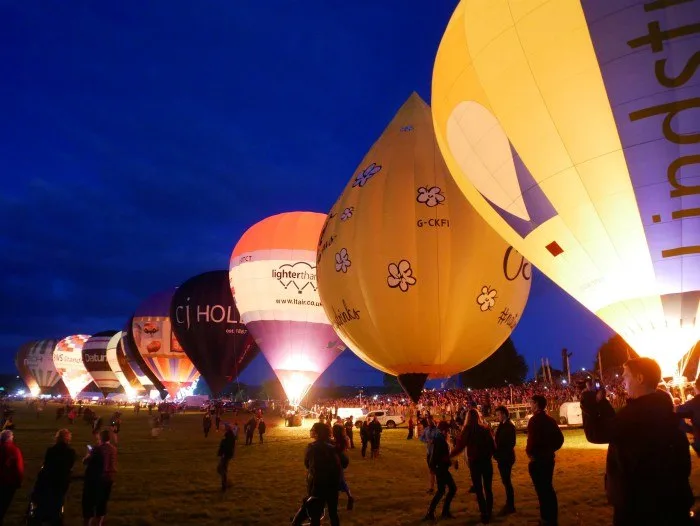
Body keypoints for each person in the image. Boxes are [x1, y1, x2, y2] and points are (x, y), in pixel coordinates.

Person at [582, 357, 693, 525]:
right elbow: (618, 426)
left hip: (638, 504)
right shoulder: (662, 407)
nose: (623, 380)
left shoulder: (636, 413)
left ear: (640, 378)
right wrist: (603, 403)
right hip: (670, 498)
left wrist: (588, 402)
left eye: (626, 376)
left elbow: (597, 434)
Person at [292, 422, 342, 526]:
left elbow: (308, 465)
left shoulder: (313, 447)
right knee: (333, 514)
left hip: (318, 487)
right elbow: (345, 462)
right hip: (333, 486)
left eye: (313, 430)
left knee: (315, 515)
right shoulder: (333, 445)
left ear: (318, 433)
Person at [451, 409, 495, 524]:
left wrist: (450, 455)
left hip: (475, 463)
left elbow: (460, 446)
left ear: (468, 418)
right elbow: (493, 445)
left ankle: (484, 513)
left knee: (479, 489)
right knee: (488, 488)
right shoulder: (485, 429)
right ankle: (489, 512)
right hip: (486, 462)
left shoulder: (467, 430)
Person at [526, 395, 564, 526]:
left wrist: (530, 453)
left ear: (536, 404)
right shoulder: (550, 420)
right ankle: (551, 518)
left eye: (531, 402)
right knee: (548, 489)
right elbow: (560, 439)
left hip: (538, 460)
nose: (530, 405)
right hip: (548, 458)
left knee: (542, 491)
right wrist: (551, 450)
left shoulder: (534, 420)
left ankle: (546, 519)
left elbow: (531, 441)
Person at [30, 428, 76, 524]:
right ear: (68, 439)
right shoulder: (71, 452)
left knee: (46, 500)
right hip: (62, 481)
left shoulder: (51, 450)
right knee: (58, 501)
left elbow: (46, 464)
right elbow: (70, 466)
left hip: (49, 479)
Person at [82, 429, 117, 526]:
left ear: (100, 438)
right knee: (102, 503)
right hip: (108, 478)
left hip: (95, 479)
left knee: (89, 503)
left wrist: (88, 453)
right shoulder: (113, 448)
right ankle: (99, 524)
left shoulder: (97, 449)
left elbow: (85, 462)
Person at [423, 421, 456, 521]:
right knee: (451, 489)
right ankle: (438, 512)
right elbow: (440, 456)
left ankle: (434, 512)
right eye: (447, 430)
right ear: (444, 430)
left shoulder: (440, 438)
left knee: (442, 491)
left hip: (440, 468)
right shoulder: (440, 440)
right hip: (441, 469)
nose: (449, 431)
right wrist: (452, 462)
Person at [493, 406, 516, 515]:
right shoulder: (503, 425)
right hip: (503, 456)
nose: (497, 417)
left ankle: (510, 505)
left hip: (505, 457)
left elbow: (509, 443)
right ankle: (509, 504)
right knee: (506, 481)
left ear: (504, 414)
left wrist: (498, 450)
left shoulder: (509, 426)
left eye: (498, 415)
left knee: (507, 482)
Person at [0, 430, 24, 523]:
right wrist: (19, 481)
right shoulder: (13, 450)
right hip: (8, 482)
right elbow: (18, 468)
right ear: (10, 438)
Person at [419, 417, 438, 494]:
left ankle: (436, 487)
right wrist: (426, 441)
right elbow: (421, 438)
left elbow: (441, 439)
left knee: (436, 471)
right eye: (428, 421)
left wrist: (434, 441)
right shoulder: (426, 430)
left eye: (431, 421)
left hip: (436, 453)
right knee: (431, 470)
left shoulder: (437, 430)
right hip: (429, 453)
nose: (430, 423)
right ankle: (432, 487)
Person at [217, 425, 235, 492]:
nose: (224, 428)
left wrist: (224, 454)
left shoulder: (229, 435)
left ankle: (225, 485)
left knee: (221, 469)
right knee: (221, 469)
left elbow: (228, 446)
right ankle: (227, 483)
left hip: (226, 455)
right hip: (225, 455)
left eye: (225, 427)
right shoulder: (227, 434)